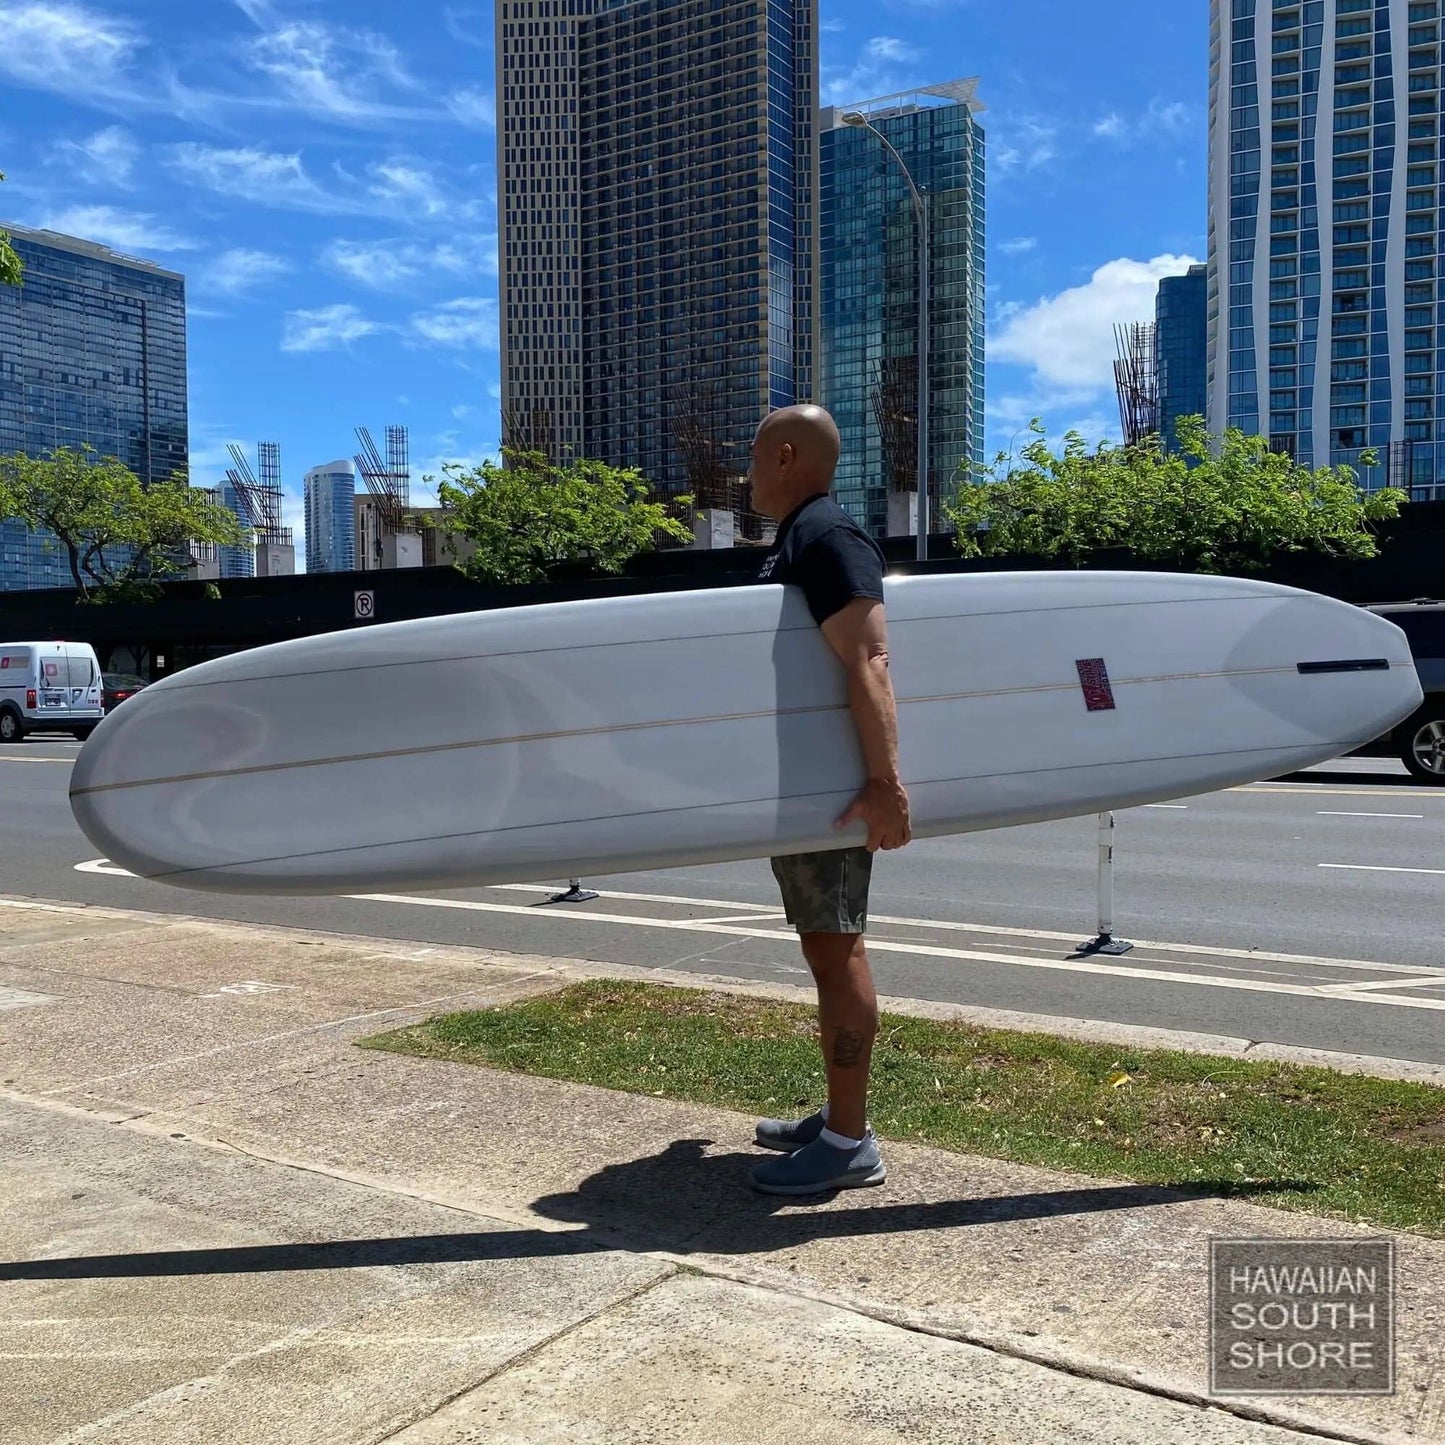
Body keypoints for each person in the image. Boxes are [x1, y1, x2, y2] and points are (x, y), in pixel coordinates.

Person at [745, 404, 912, 1196]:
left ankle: (849, 1140)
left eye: (752, 459)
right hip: (804, 788)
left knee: (835, 948)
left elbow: (870, 658)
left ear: (784, 456)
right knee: (823, 949)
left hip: (835, 795)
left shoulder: (827, 537)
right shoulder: (796, 539)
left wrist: (883, 785)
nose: (745, 475)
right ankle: (838, 1117)